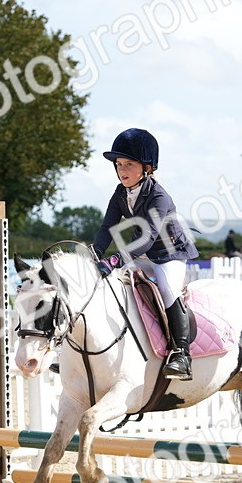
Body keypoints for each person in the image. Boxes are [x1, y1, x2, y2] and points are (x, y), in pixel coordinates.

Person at [91, 127, 199, 380]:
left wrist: (115, 259)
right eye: (119, 164)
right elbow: (108, 227)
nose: (122, 170)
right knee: (105, 286)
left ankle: (182, 354)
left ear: (147, 167)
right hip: (141, 256)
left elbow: (148, 236)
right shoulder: (120, 193)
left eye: (129, 164)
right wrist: (95, 254)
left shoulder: (159, 196)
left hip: (169, 255)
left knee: (168, 290)